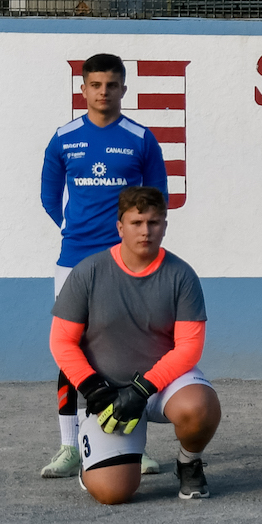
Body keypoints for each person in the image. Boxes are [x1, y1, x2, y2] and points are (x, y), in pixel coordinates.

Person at [39, 53, 169, 479]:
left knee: (131, 347)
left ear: (123, 89)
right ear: (83, 89)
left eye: (111, 85)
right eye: (95, 85)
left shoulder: (140, 138)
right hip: (74, 259)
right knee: (69, 352)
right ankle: (69, 445)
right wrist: (78, 232)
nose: (103, 92)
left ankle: (136, 447)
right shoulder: (63, 138)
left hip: (127, 262)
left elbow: (156, 199)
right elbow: (49, 198)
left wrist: (128, 244)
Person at [48, 187, 219, 504]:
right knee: (112, 493)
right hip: (109, 394)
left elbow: (189, 348)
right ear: (120, 227)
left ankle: (189, 461)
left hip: (160, 386)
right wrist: (94, 389)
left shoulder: (182, 276)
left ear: (165, 226)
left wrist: (143, 389)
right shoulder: (89, 272)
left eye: (154, 222)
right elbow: (62, 341)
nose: (146, 231)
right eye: (137, 222)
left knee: (201, 407)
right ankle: (96, 456)